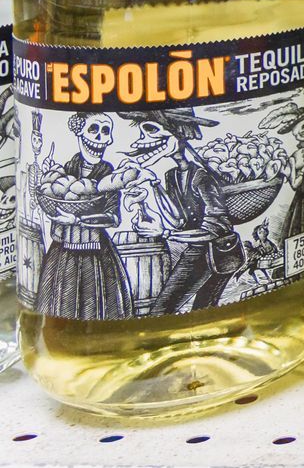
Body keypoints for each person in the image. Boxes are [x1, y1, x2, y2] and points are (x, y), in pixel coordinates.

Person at [36, 112, 134, 319]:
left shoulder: (108, 174)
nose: (100, 139)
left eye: (106, 132)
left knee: (99, 303)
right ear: (79, 131)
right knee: (57, 301)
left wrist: (78, 220)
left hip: (96, 249)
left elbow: (113, 218)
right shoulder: (67, 169)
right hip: (63, 247)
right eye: (94, 130)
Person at [146, 109, 242, 314]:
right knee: (204, 310)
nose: (145, 139)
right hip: (196, 249)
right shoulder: (170, 176)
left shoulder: (202, 177)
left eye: (153, 130)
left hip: (217, 252)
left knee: (161, 311)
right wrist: (155, 187)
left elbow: (216, 227)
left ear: (179, 134)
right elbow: (178, 219)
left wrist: (166, 234)